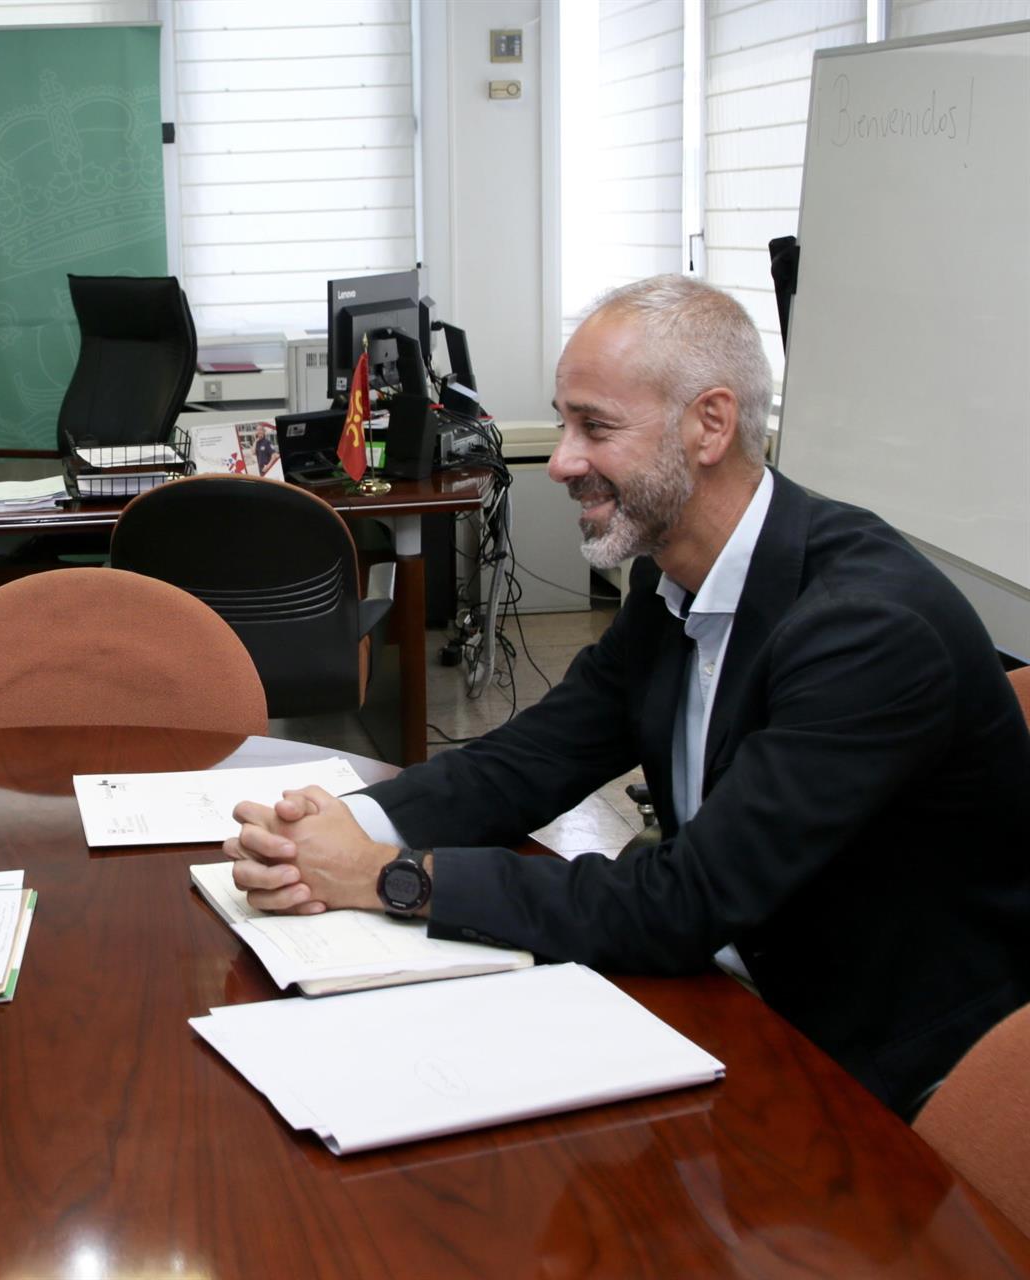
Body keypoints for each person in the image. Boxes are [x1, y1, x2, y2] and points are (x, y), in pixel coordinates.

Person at [226, 275, 1030, 1114]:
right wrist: (334, 828)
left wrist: (389, 878)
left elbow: (686, 901)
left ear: (709, 425)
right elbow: (533, 758)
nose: (562, 461)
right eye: (565, 422)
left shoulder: (867, 632)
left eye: (594, 427)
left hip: (886, 1080)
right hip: (732, 998)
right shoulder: (671, 581)